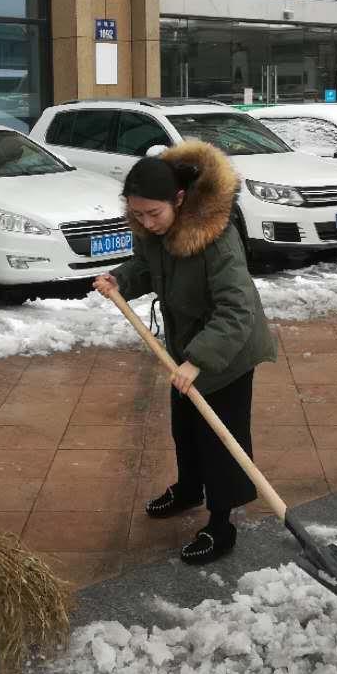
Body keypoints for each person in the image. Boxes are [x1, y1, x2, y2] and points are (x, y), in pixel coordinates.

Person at [92, 141, 275, 564]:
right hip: (187, 347)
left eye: (153, 213)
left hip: (228, 350)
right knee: (187, 428)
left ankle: (221, 524)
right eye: (137, 214)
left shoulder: (216, 238)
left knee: (221, 440)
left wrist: (199, 361)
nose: (146, 222)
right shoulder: (154, 231)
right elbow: (148, 268)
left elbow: (237, 309)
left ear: (179, 199)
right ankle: (190, 489)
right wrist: (120, 279)